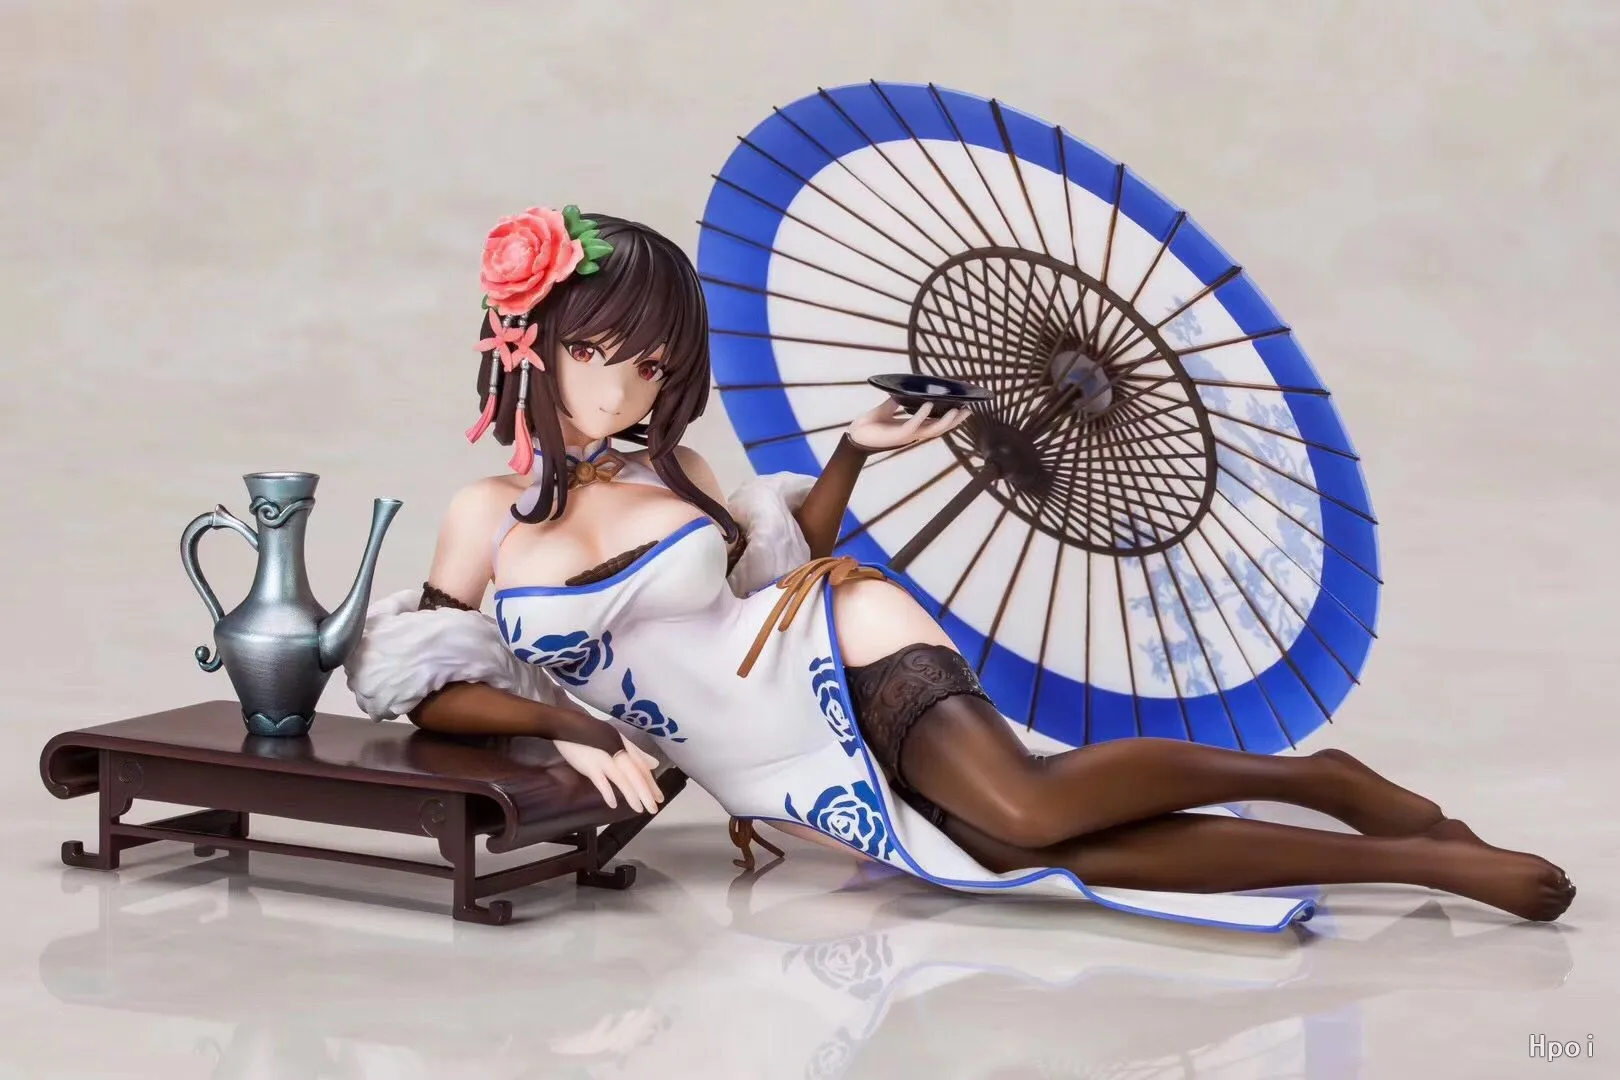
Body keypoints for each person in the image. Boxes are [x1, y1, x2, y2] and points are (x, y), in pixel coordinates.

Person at [344, 204, 1574, 932]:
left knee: (1026, 809)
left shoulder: (683, 471)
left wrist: (851, 454)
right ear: (528, 342)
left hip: (835, 650)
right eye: (604, 350)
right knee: (1015, 853)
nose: (631, 384)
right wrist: (571, 728)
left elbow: (779, 564)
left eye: (656, 363)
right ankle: (1396, 848)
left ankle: (1331, 791)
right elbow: (426, 684)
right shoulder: (487, 517)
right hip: (762, 758)